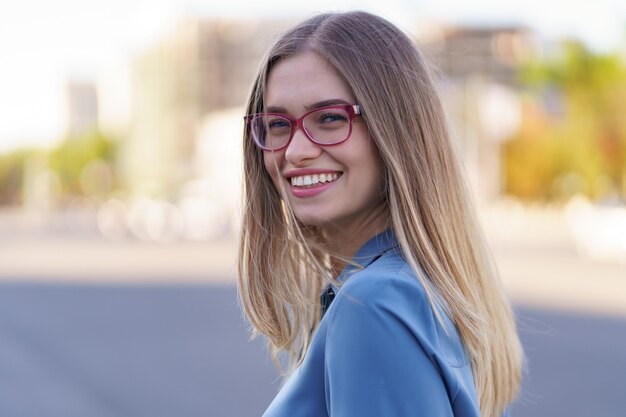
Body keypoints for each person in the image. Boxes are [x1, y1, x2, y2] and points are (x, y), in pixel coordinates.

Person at [237, 10, 523, 417]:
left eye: (331, 118)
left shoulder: (373, 304)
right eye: (278, 123)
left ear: (396, 130)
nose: (296, 151)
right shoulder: (416, 293)